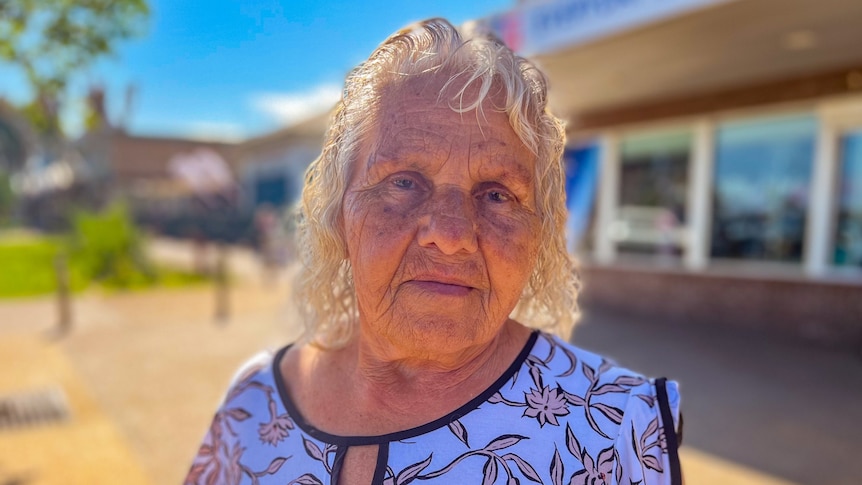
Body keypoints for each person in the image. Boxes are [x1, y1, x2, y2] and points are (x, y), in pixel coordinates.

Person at [185, 18, 681, 485]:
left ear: (540, 237)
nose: (450, 232)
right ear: (339, 212)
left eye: (496, 194)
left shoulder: (618, 432)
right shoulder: (253, 404)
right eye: (403, 182)